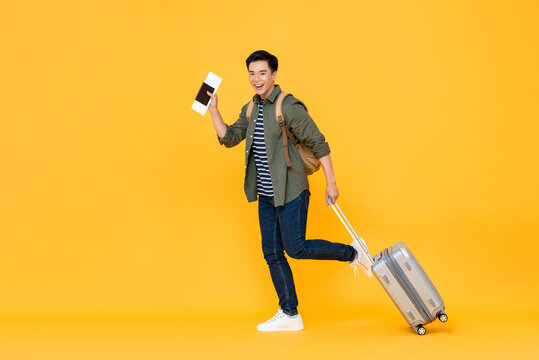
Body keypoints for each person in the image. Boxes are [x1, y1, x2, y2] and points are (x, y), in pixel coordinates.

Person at [207, 50, 371, 332]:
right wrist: (213, 110)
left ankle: (354, 252)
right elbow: (230, 137)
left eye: (262, 73)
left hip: (291, 190)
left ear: (273, 75)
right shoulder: (251, 107)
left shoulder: (288, 105)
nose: (256, 79)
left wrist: (331, 183)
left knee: (296, 248)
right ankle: (290, 313)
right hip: (266, 194)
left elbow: (319, 144)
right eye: (251, 73)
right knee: (271, 252)